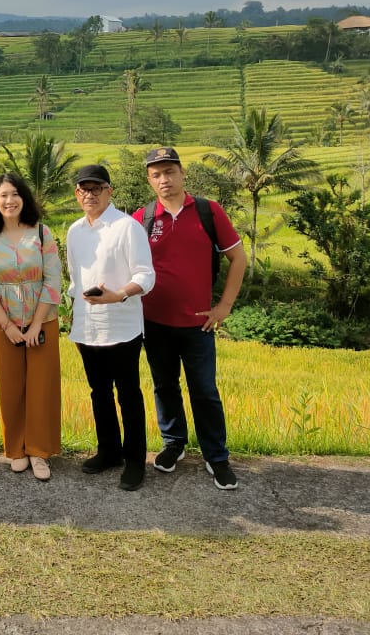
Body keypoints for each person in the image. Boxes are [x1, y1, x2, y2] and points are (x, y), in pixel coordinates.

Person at [132, 147, 246, 490]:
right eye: (156, 174)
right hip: (154, 322)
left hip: (199, 323)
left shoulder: (208, 211)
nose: (164, 179)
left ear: (183, 174)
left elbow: (238, 260)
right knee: (164, 386)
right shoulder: (142, 218)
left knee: (205, 391)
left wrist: (224, 306)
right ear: (150, 181)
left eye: (169, 172)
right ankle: (174, 444)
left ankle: (217, 456)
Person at [65, 164, 155, 492]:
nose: (89, 194)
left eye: (96, 188)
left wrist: (118, 295)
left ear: (109, 191)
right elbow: (76, 280)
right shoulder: (74, 231)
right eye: (83, 189)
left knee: (128, 395)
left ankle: (134, 462)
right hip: (87, 327)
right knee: (99, 392)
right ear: (77, 194)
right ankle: (109, 452)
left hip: (122, 326)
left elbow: (146, 275)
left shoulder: (127, 227)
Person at [0, 172, 62, 481]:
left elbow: (53, 282)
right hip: (5, 324)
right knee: (11, 388)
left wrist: (36, 324)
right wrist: (8, 326)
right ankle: (17, 449)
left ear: (23, 198)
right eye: (2, 196)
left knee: (42, 388)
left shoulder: (41, 234)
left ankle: (39, 452)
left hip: (43, 322)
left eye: (14, 194)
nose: (9, 201)